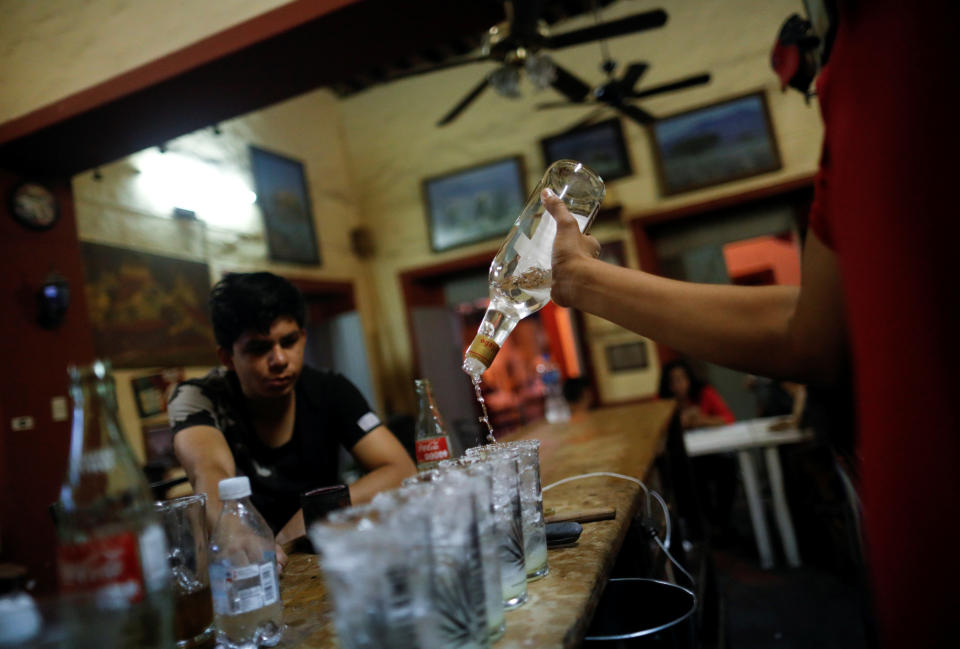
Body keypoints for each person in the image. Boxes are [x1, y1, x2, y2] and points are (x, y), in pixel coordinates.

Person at [545, 3, 959, 645]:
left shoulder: (887, 45)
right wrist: (582, 281)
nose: (809, 82)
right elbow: (815, 329)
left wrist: (582, 281)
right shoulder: (859, 62)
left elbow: (811, 337)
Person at [168, 272, 416, 568]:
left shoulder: (330, 390)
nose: (280, 359)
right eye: (259, 348)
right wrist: (235, 525)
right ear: (227, 357)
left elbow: (400, 468)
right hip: (245, 564)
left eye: (289, 341)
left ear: (303, 337)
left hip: (320, 558)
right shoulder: (198, 397)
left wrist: (308, 516)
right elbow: (207, 468)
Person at [658, 359, 737, 542]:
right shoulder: (662, 401)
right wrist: (678, 424)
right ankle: (703, 527)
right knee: (687, 478)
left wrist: (701, 420)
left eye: (682, 379)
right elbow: (657, 432)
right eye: (673, 381)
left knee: (728, 468)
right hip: (686, 460)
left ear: (690, 378)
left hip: (711, 454)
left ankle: (722, 522)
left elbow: (727, 418)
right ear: (667, 385)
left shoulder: (704, 392)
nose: (679, 385)